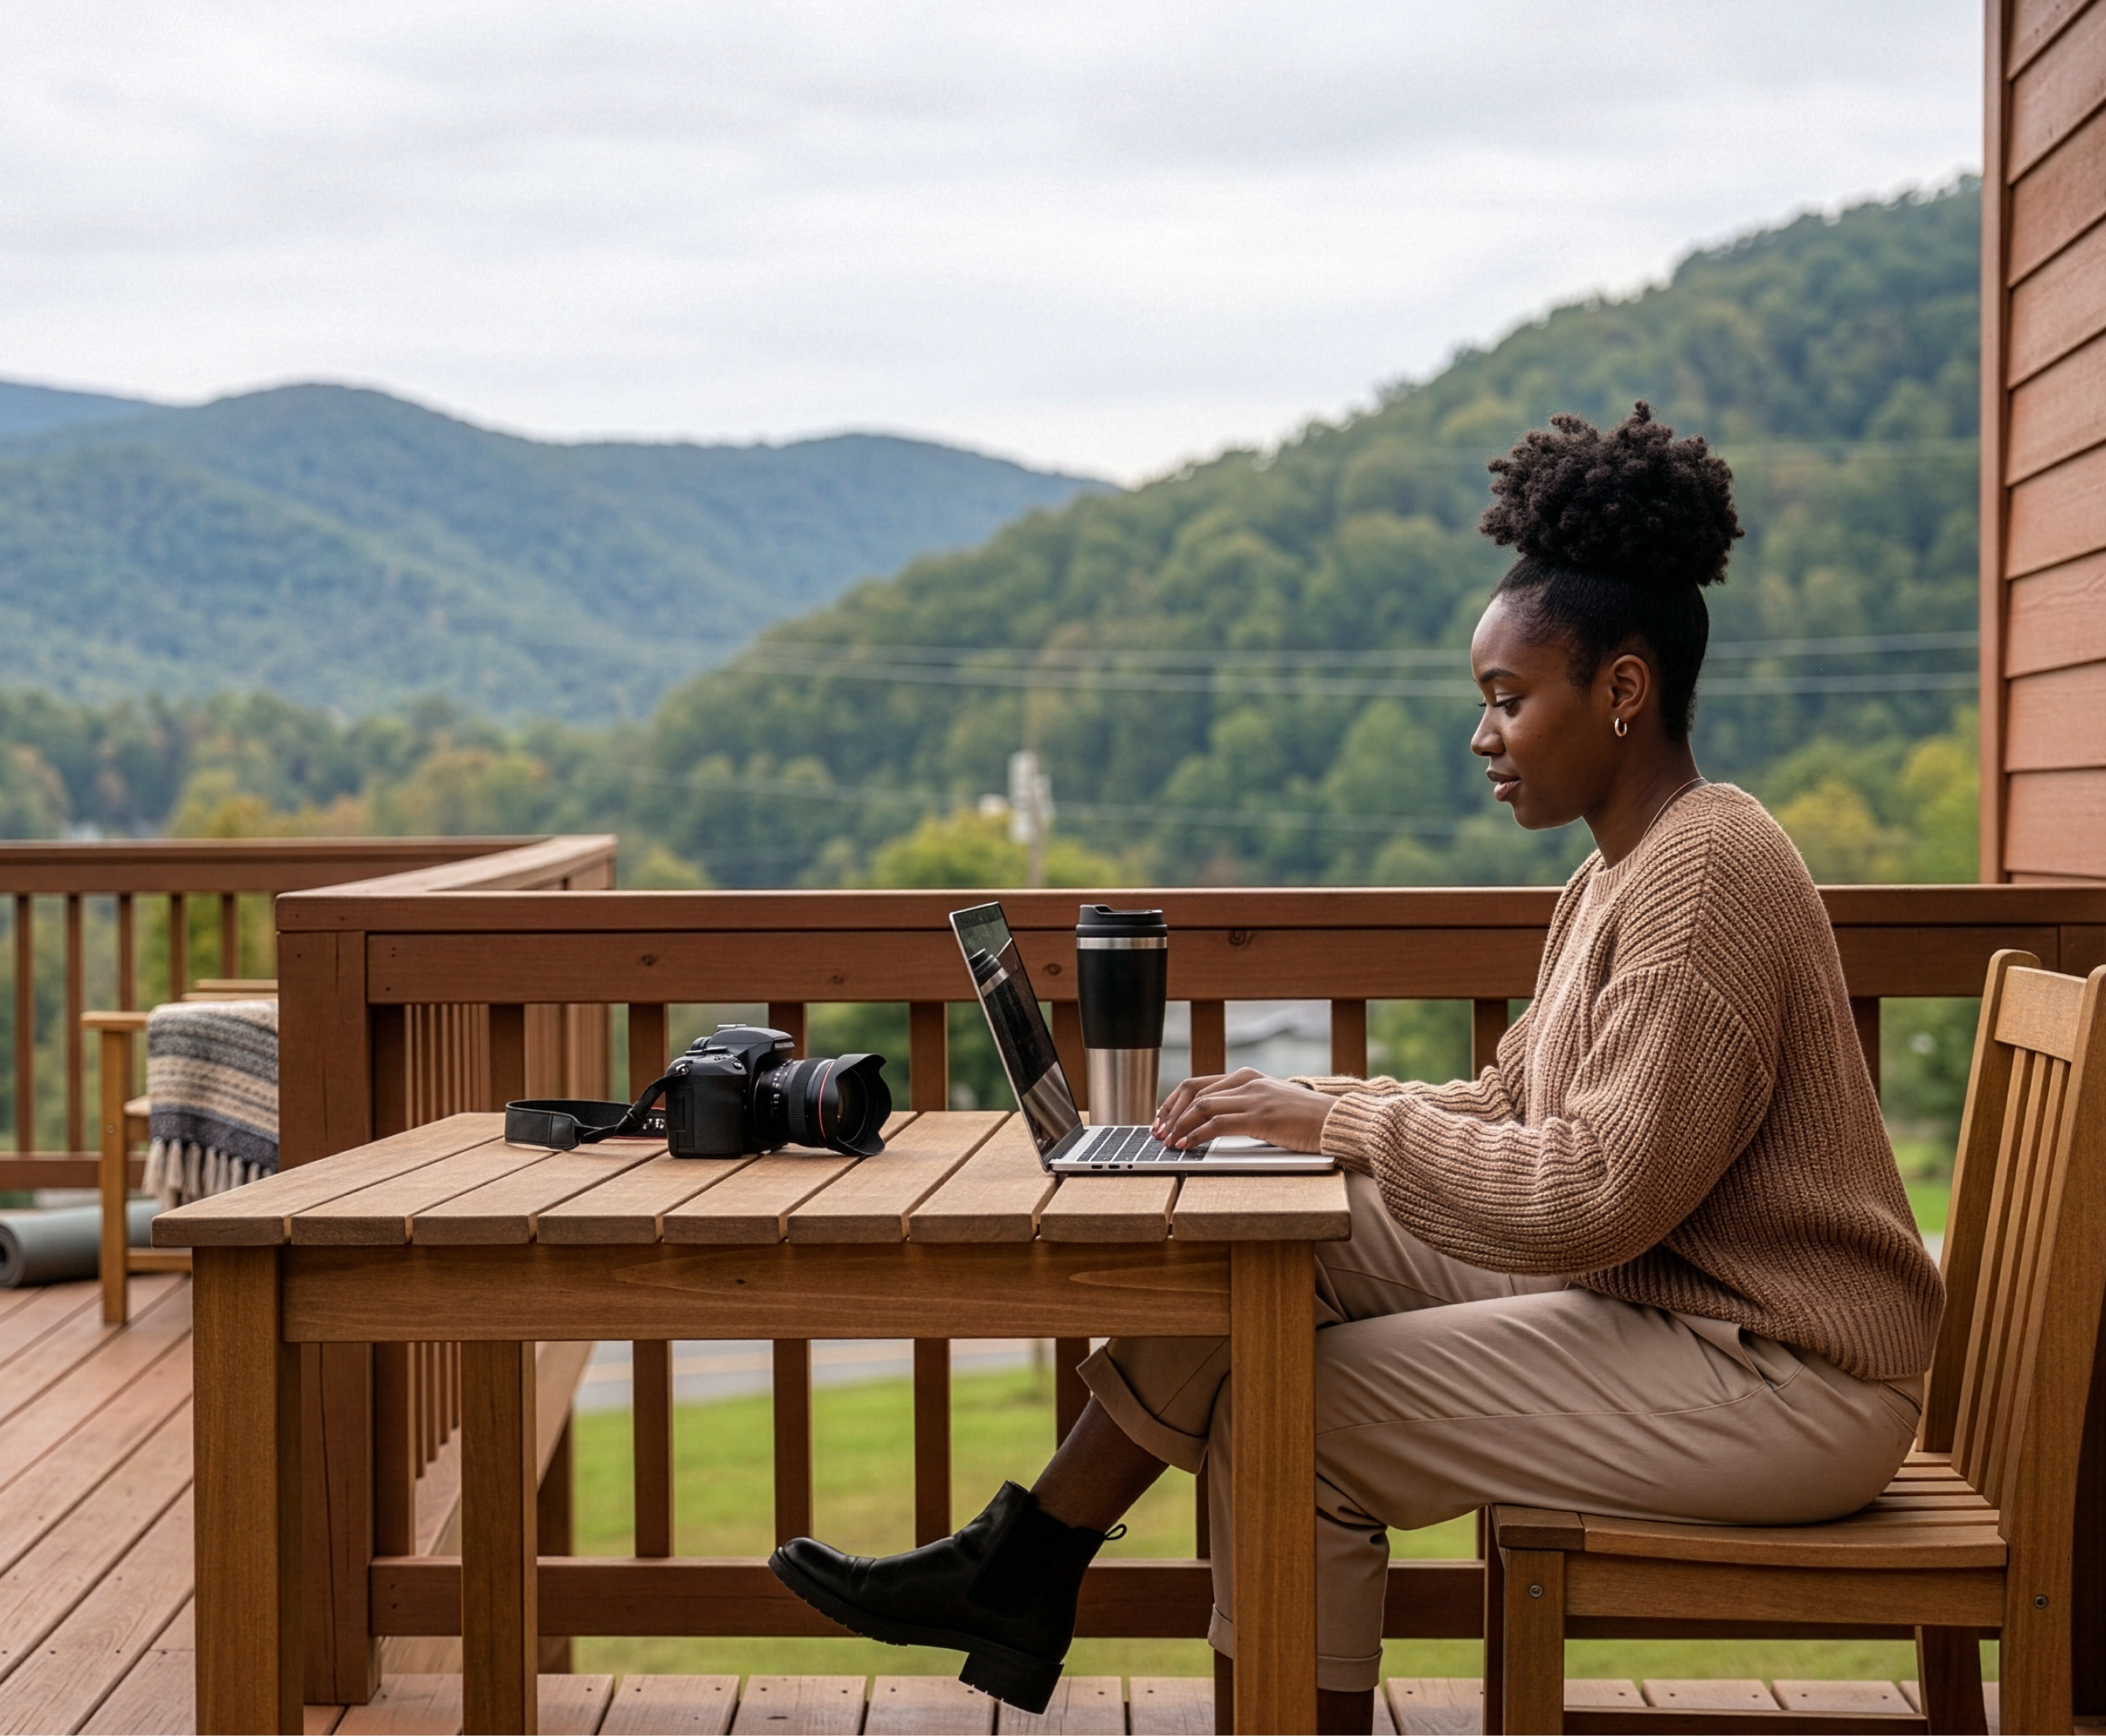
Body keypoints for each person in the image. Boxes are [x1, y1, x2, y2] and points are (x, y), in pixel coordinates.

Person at [767, 405, 1946, 1736]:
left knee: (1298, 1410)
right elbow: (1510, 1108)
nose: (1483, 735)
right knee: (1268, 1249)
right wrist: (1310, 1123)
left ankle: (1056, 1587)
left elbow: (1593, 1195)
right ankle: (1027, 1559)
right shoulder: (1619, 872)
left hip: (1787, 1377)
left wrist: (1336, 1113)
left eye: (1509, 700)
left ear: (1622, 691)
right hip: (1676, 1302)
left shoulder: (1708, 873)